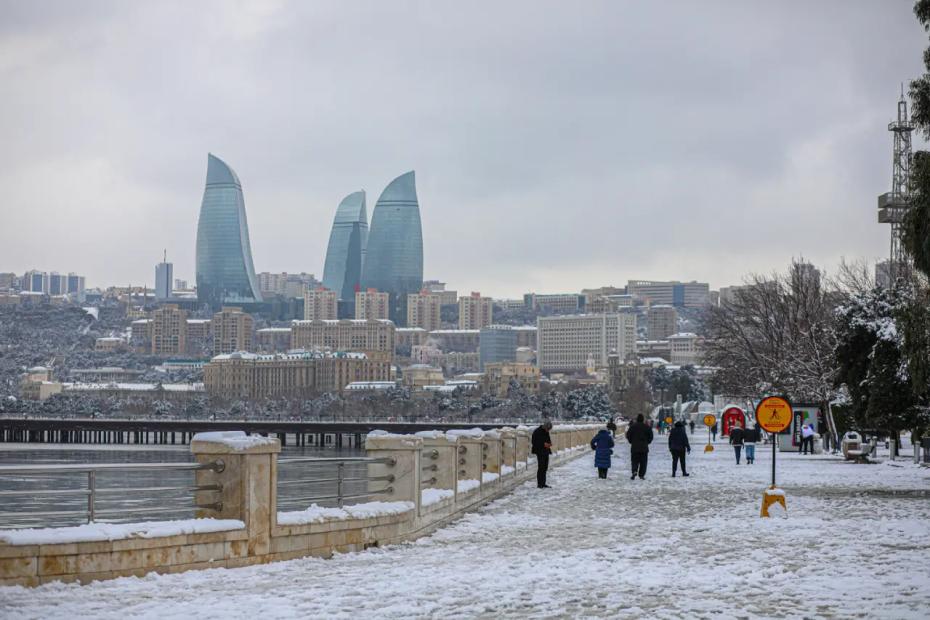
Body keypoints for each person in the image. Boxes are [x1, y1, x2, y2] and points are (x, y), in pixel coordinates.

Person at [625, 413, 654, 480]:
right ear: (643, 419)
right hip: (644, 447)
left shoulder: (632, 427)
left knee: (634, 461)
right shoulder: (647, 427)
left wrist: (631, 441)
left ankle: (634, 471)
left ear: (637, 419)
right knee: (643, 462)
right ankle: (641, 474)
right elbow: (651, 436)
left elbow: (628, 435)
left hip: (635, 447)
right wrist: (647, 442)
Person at [531, 420, 554, 488]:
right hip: (539, 451)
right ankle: (540, 484)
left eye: (549, 429)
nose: (548, 431)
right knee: (541, 467)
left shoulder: (546, 432)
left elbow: (548, 440)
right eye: (548, 429)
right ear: (545, 427)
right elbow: (534, 442)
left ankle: (543, 483)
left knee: (545, 468)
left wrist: (549, 444)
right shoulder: (537, 431)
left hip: (546, 451)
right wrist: (543, 444)